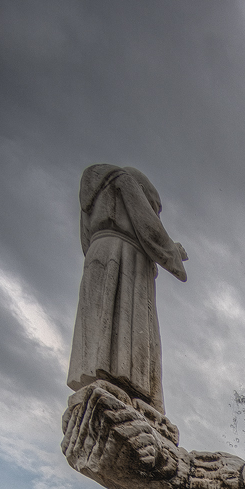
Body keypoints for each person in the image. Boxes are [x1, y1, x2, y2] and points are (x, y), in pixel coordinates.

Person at [66, 164, 188, 414]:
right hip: (126, 255)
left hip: (97, 256)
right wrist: (173, 252)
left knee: (100, 317)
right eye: (155, 206)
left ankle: (101, 370)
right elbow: (149, 229)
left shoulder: (93, 194)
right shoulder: (125, 182)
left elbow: (85, 239)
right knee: (127, 318)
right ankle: (126, 379)